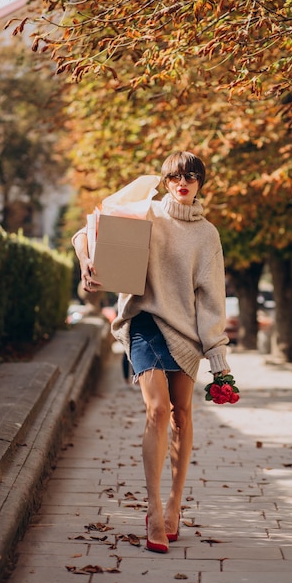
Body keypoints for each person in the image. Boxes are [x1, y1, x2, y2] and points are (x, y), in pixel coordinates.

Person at [72, 151, 231, 553]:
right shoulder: (145, 213)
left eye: (192, 177)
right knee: (158, 409)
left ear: (200, 184)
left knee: (183, 414)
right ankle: (155, 509)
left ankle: (176, 503)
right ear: (165, 180)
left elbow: (212, 300)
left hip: (186, 333)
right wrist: (87, 262)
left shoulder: (207, 235)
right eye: (177, 175)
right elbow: (85, 232)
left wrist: (218, 359)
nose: (184, 182)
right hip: (144, 321)